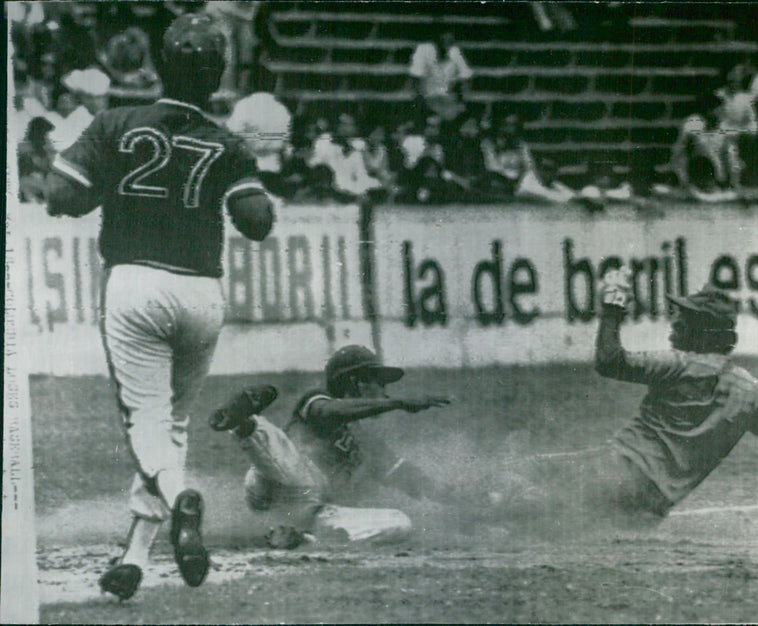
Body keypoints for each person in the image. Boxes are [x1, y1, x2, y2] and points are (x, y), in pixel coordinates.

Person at [44, 14, 275, 601]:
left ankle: (181, 501)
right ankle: (136, 559)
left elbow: (62, 195)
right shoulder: (226, 141)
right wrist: (253, 155)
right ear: (217, 72)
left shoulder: (116, 121)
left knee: (146, 425)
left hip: (136, 286)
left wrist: (103, 186)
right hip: (202, 293)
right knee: (169, 426)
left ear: (159, 63)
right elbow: (257, 222)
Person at [590, 270, 758, 521]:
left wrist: (613, 303)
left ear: (698, 331)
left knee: (531, 478)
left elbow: (609, 361)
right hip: (652, 504)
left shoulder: (677, 365)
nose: (674, 324)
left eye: (682, 319)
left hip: (611, 474)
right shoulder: (755, 393)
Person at [210, 345, 455, 547]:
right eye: (378, 382)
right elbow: (329, 411)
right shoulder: (317, 399)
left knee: (400, 521)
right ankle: (244, 422)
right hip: (274, 481)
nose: (384, 390)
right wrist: (397, 403)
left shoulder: (369, 444)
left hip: (313, 513)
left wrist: (477, 503)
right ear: (355, 382)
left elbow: (413, 480)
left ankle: (303, 540)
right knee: (292, 459)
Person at [408, 31, 473, 124]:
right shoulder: (423, 49)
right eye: (443, 41)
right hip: (429, 96)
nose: (446, 45)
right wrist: (424, 96)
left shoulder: (455, 51)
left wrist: (459, 96)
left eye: (449, 42)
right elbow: (417, 77)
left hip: (448, 97)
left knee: (455, 112)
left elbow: (466, 75)